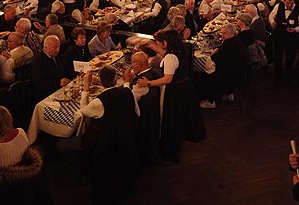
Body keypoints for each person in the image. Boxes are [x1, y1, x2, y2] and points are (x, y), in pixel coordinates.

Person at [137, 29, 205, 162]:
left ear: (165, 43)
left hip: (176, 92)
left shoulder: (170, 57)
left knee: (173, 119)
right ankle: (177, 142)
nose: (156, 44)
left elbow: (167, 79)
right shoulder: (180, 51)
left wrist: (148, 83)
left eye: (158, 42)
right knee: (179, 118)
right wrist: (152, 46)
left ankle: (171, 151)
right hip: (185, 87)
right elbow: (167, 54)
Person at [80, 66, 139, 204]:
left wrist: (86, 87)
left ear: (100, 81)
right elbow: (137, 112)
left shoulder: (99, 101)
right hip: (127, 139)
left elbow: (83, 111)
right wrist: (126, 82)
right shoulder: (127, 93)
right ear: (115, 80)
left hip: (107, 145)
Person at [269, 0, 299, 82]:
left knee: (291, 55)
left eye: (291, 3)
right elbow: (271, 15)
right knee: (277, 55)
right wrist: (272, 22)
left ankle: (289, 71)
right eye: (287, 3)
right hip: (279, 35)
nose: (289, 5)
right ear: (284, 1)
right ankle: (278, 75)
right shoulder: (278, 6)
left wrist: (296, 29)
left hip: (291, 37)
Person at [31, 35, 75, 101]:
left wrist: (78, 73)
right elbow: (39, 84)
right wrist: (58, 83)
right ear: (45, 47)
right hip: (47, 95)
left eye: (59, 47)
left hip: (60, 90)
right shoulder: (38, 61)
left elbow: (66, 69)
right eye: (55, 47)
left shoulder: (57, 56)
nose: (58, 50)